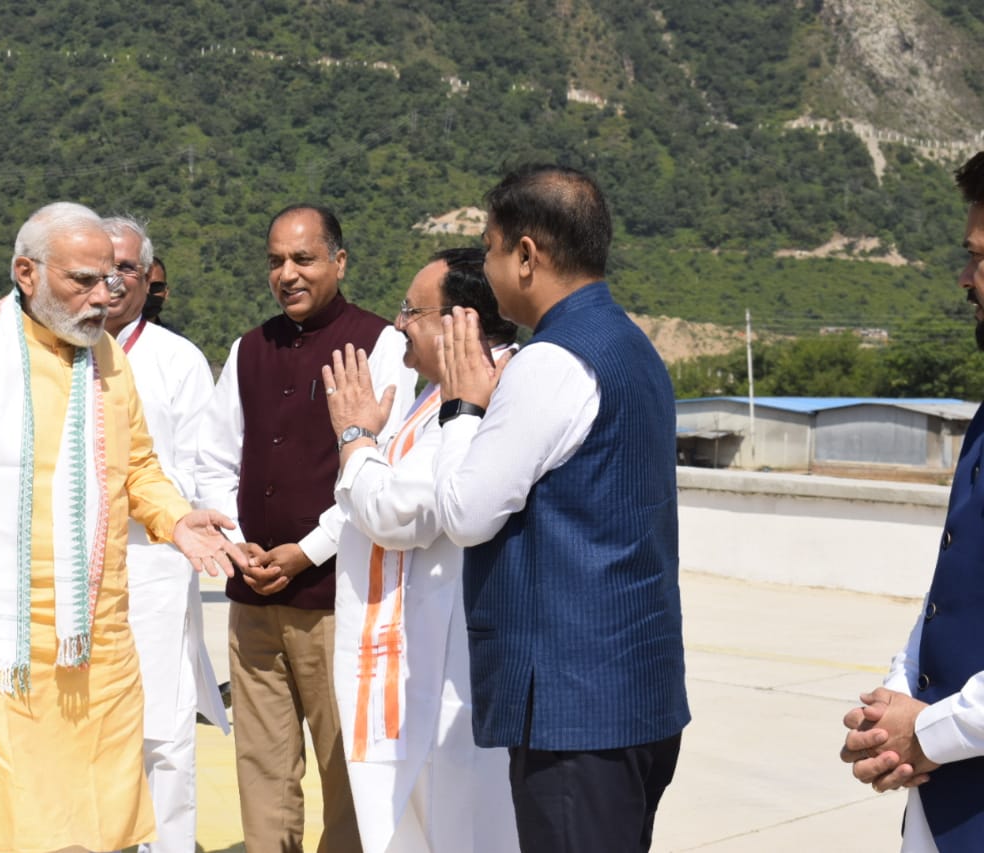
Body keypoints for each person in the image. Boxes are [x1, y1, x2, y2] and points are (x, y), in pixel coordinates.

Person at [0, 202, 248, 853]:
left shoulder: (104, 357)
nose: (102, 297)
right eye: (82, 280)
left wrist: (175, 517)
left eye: (109, 279)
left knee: (96, 825)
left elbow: (137, 469)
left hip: (93, 650)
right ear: (26, 272)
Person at [432, 165, 690, 852]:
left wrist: (462, 405)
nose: (484, 267)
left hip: (575, 710)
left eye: (488, 248)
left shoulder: (550, 363)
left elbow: (465, 510)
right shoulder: (632, 347)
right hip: (638, 691)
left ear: (525, 255)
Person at [194, 203, 415, 853]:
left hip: (337, 598)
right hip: (253, 597)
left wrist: (307, 550)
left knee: (347, 764)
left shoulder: (383, 346)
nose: (287, 273)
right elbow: (213, 458)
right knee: (261, 763)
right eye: (275, 261)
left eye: (303, 258)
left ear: (339, 262)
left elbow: (384, 468)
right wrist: (237, 541)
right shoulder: (248, 349)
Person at [321, 248, 520, 853]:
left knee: (461, 828)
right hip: (424, 657)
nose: (399, 323)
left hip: (451, 666)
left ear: (462, 321)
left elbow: (400, 511)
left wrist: (355, 437)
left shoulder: (487, 393)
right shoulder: (434, 397)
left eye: (412, 310)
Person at [840, 150, 984, 853]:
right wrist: (894, 702)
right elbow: (955, 589)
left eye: (980, 258)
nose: (966, 278)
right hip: (943, 809)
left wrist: (924, 734)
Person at [102, 214, 229, 853]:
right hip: (76, 567)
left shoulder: (177, 360)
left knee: (164, 727)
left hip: (154, 566)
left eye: (129, 267)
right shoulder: (59, 347)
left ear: (149, 279)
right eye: (105, 264)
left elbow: (199, 471)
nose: (115, 278)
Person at [144, 256, 169, 325]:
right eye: (142, 285)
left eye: (156, 286)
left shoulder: (171, 336)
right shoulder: (113, 333)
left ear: (166, 293)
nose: (147, 291)